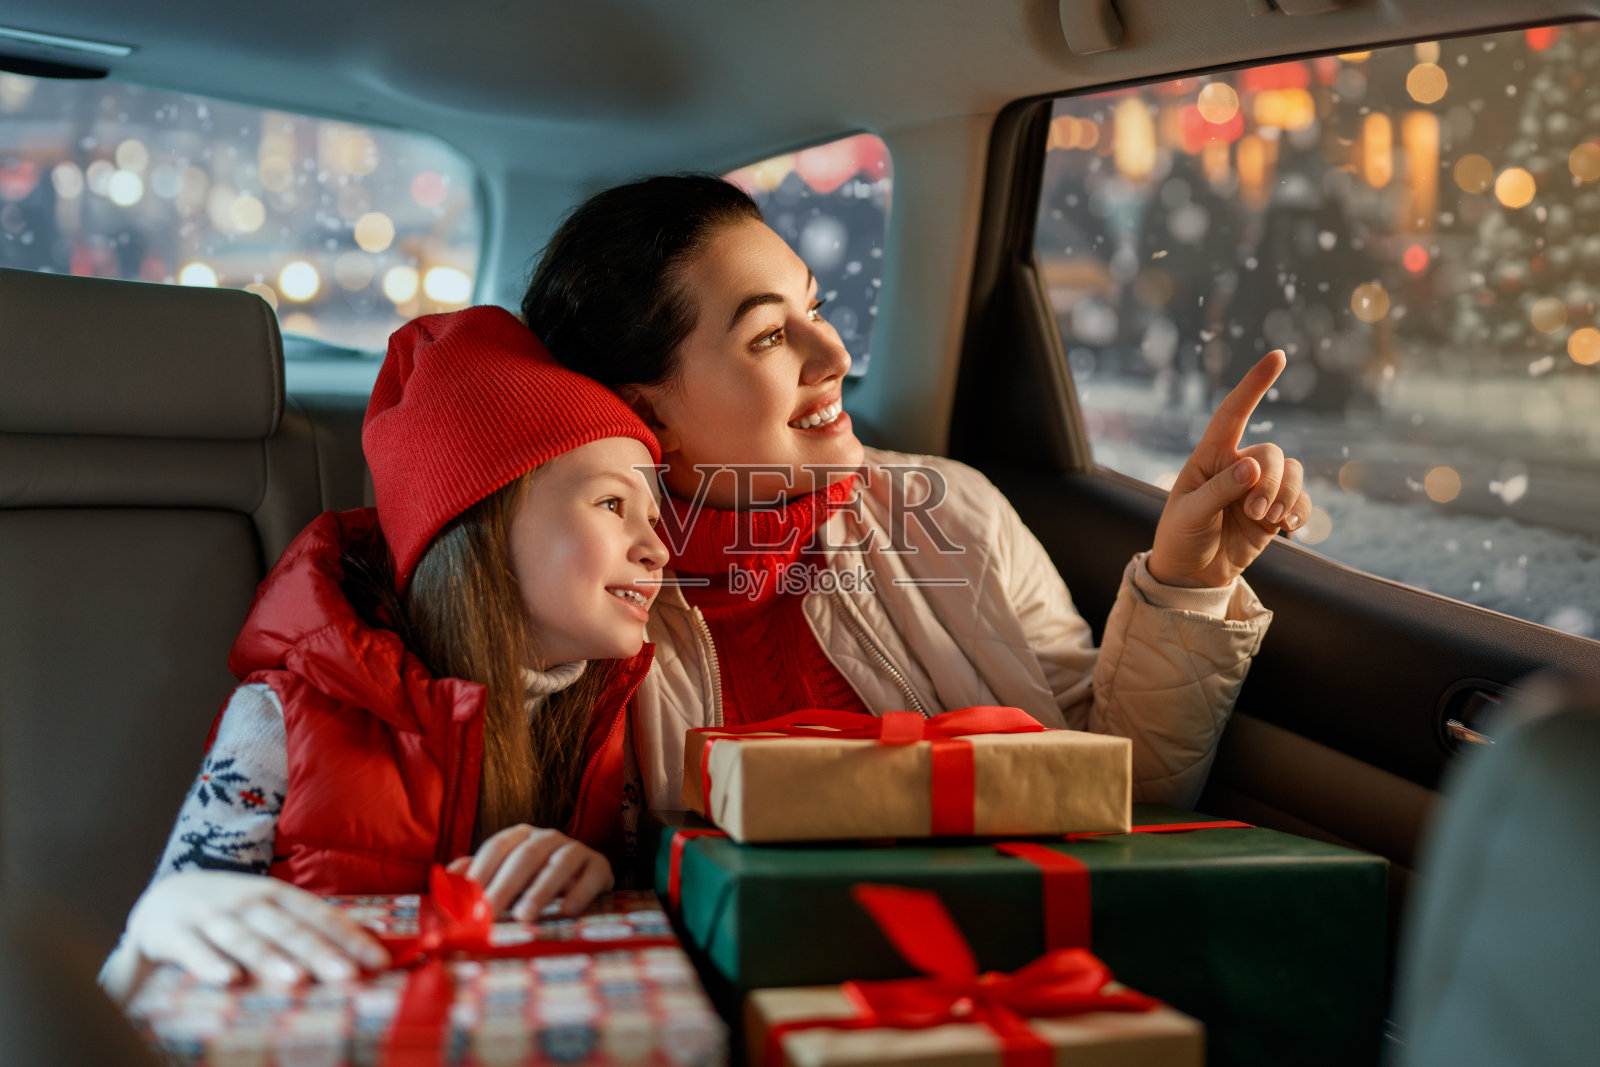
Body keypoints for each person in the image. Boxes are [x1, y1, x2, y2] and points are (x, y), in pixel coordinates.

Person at [521, 174, 1310, 815]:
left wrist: (1188, 581)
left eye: (814, 308)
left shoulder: (958, 513)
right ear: (650, 412)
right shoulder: (577, 594)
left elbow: (1115, 784)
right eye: (768, 336)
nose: (833, 353)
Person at [100, 306, 669, 1001]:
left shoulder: (613, 721)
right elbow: (149, 974)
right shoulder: (287, 717)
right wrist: (161, 918)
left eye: (653, 515)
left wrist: (600, 883)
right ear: (480, 521)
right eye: (611, 503)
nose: (657, 547)